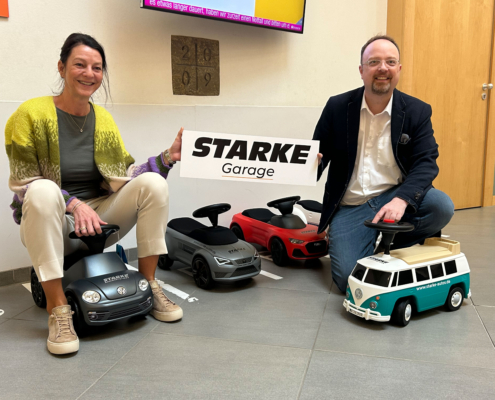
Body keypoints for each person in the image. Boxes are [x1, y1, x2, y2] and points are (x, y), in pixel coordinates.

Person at [5, 33, 184, 355]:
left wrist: (167, 158)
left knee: (154, 184)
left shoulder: (103, 119)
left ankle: (149, 285)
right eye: (80, 65)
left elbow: (125, 176)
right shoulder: (29, 114)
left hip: (100, 217)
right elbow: (24, 182)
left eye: (97, 67)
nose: (89, 73)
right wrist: (74, 205)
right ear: (62, 68)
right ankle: (58, 309)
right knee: (43, 189)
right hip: (52, 222)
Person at [313, 35, 454, 293]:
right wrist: (308, 165)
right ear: (361, 70)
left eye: (390, 62)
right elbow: (317, 156)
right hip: (351, 205)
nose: (383, 68)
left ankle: (390, 247)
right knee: (349, 280)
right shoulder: (337, 107)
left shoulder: (417, 111)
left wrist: (402, 199)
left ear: (399, 69)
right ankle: (367, 248)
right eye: (374, 62)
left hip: (394, 195)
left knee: (441, 206)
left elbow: (426, 162)